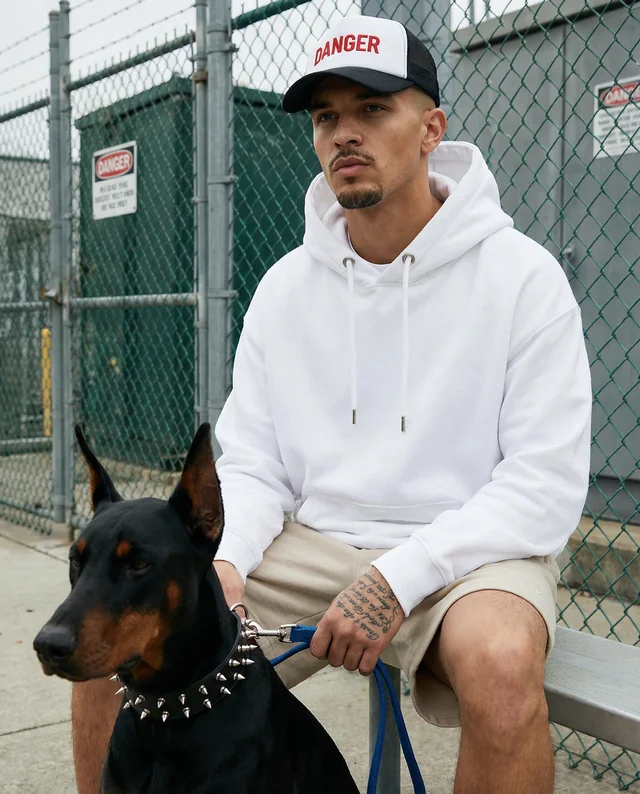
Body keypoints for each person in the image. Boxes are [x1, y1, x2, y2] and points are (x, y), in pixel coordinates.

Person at [70, 14, 592, 794]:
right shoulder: (286, 288)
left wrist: (398, 579)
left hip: (466, 559)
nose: (345, 133)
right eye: (326, 117)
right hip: (312, 544)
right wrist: (228, 559)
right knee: (107, 637)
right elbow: (255, 462)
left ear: (430, 128)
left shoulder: (523, 277)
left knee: (504, 665)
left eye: (372, 109)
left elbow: (542, 485)